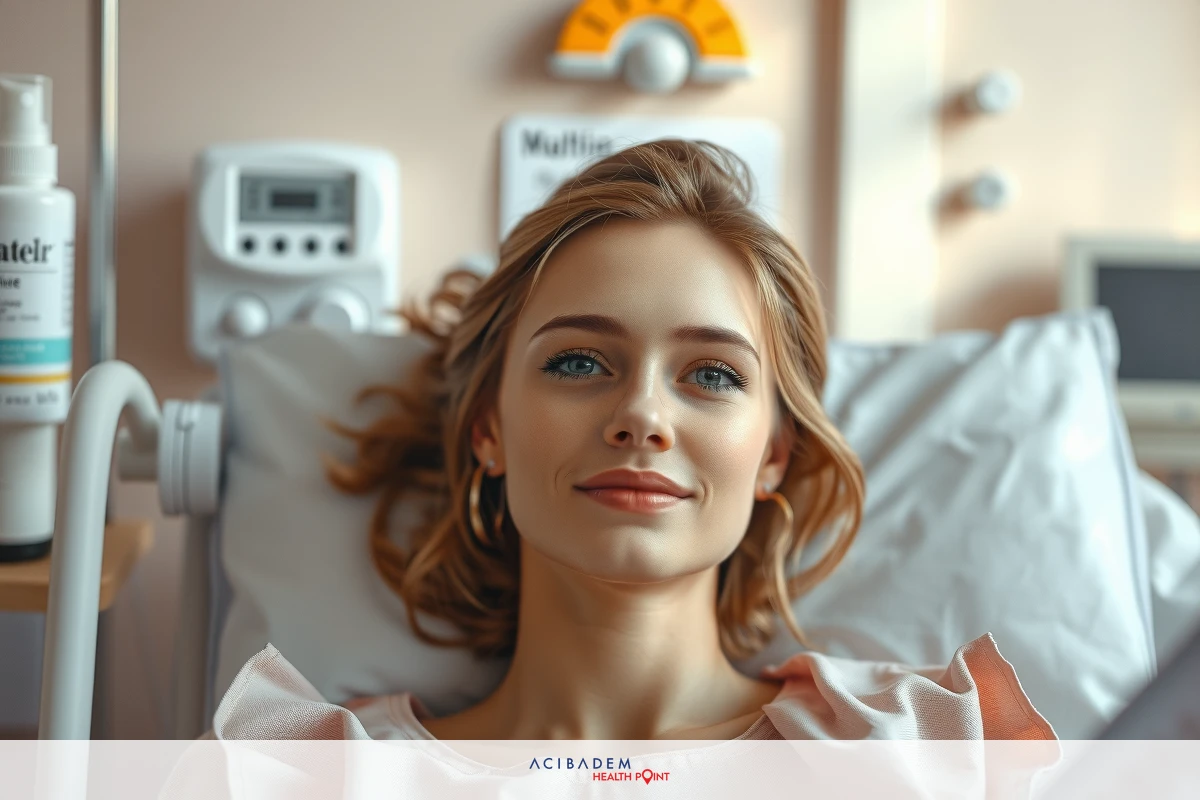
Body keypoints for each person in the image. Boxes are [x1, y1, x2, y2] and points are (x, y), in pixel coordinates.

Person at [209, 140, 1055, 743]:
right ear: (488, 429)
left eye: (714, 375)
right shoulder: (315, 771)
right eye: (579, 362)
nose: (642, 415)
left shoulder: (920, 744)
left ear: (773, 455)